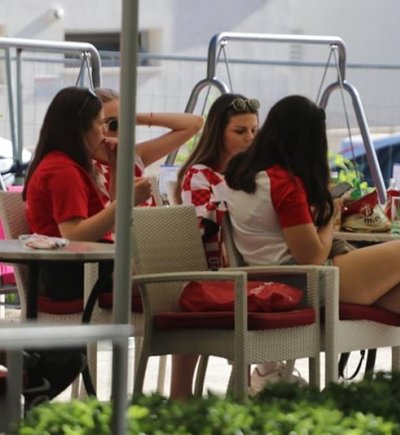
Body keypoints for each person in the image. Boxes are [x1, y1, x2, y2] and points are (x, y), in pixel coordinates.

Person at [224, 95, 400, 373]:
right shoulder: (284, 183)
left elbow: (275, 234)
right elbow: (312, 256)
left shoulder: (244, 175)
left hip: (277, 280)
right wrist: (329, 217)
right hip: (305, 284)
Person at [170, 93, 261, 400]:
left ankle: (262, 375)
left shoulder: (255, 175)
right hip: (208, 271)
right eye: (240, 131)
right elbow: (200, 225)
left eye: (254, 130)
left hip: (246, 266)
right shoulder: (199, 174)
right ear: (218, 133)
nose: (250, 138)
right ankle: (257, 379)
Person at [22, 86, 152, 300]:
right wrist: (127, 200)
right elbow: (74, 235)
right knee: (164, 276)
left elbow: (107, 222)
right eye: (100, 123)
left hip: (82, 266)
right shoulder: (62, 171)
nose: (105, 131)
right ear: (80, 127)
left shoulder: (66, 165)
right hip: (72, 275)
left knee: (162, 265)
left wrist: (116, 166)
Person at [92, 88, 203, 206]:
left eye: (125, 122)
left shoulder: (132, 156)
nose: (121, 129)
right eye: (112, 124)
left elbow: (195, 123)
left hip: (151, 218)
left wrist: (134, 117)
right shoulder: (86, 166)